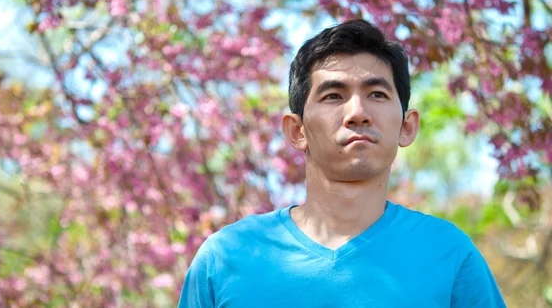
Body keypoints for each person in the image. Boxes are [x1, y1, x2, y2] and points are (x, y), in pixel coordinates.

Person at [178, 19, 506, 307]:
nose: (357, 113)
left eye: (376, 94)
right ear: (297, 130)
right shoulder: (226, 257)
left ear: (407, 127)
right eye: (333, 96)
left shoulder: (449, 254)